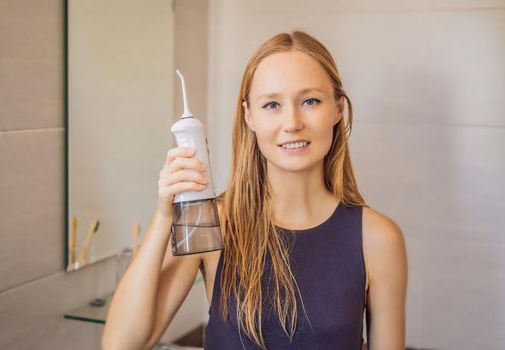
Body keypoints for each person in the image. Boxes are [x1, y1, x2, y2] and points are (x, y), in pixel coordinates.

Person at [102, 30, 408, 350]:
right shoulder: (212, 222)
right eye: (272, 104)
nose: (292, 122)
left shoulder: (378, 238)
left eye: (310, 101)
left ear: (337, 109)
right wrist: (165, 215)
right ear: (249, 115)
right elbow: (121, 345)